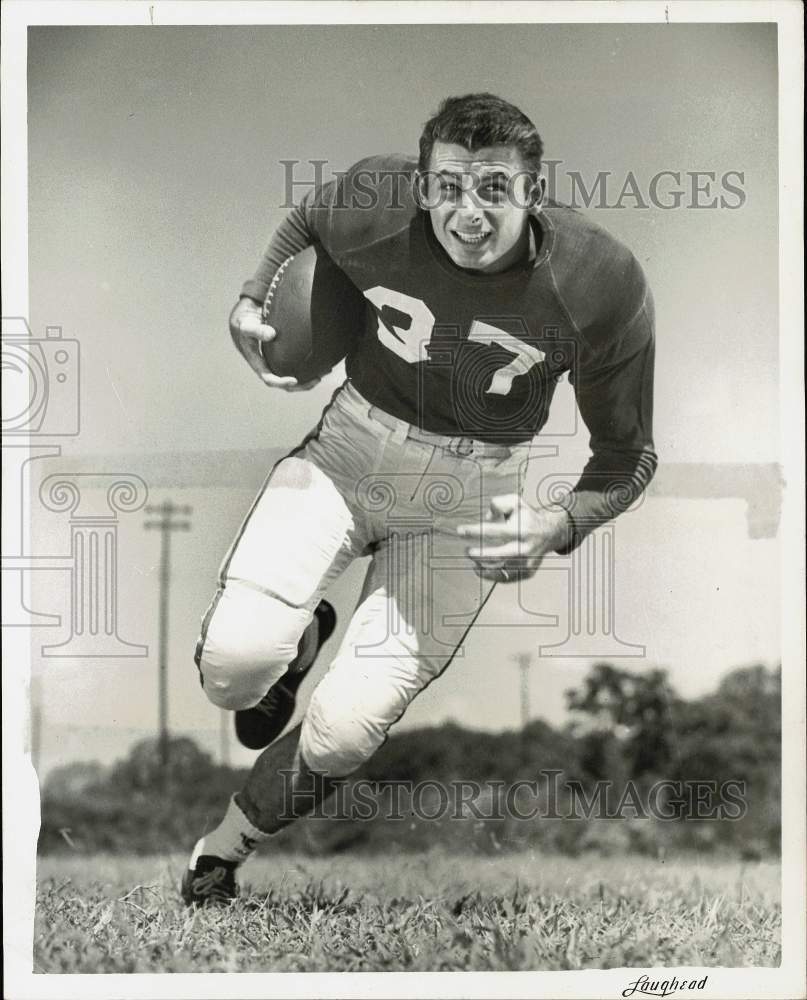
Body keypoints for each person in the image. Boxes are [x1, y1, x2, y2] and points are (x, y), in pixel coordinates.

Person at [181, 93, 657, 905]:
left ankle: (223, 850)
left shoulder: (600, 283)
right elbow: (309, 218)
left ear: (535, 194)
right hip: (351, 452)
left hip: (471, 495)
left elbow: (627, 456)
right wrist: (251, 291)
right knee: (232, 672)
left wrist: (558, 521)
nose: (466, 214)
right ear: (421, 183)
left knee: (344, 731)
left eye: (494, 192)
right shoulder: (374, 196)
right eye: (447, 188)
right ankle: (298, 648)